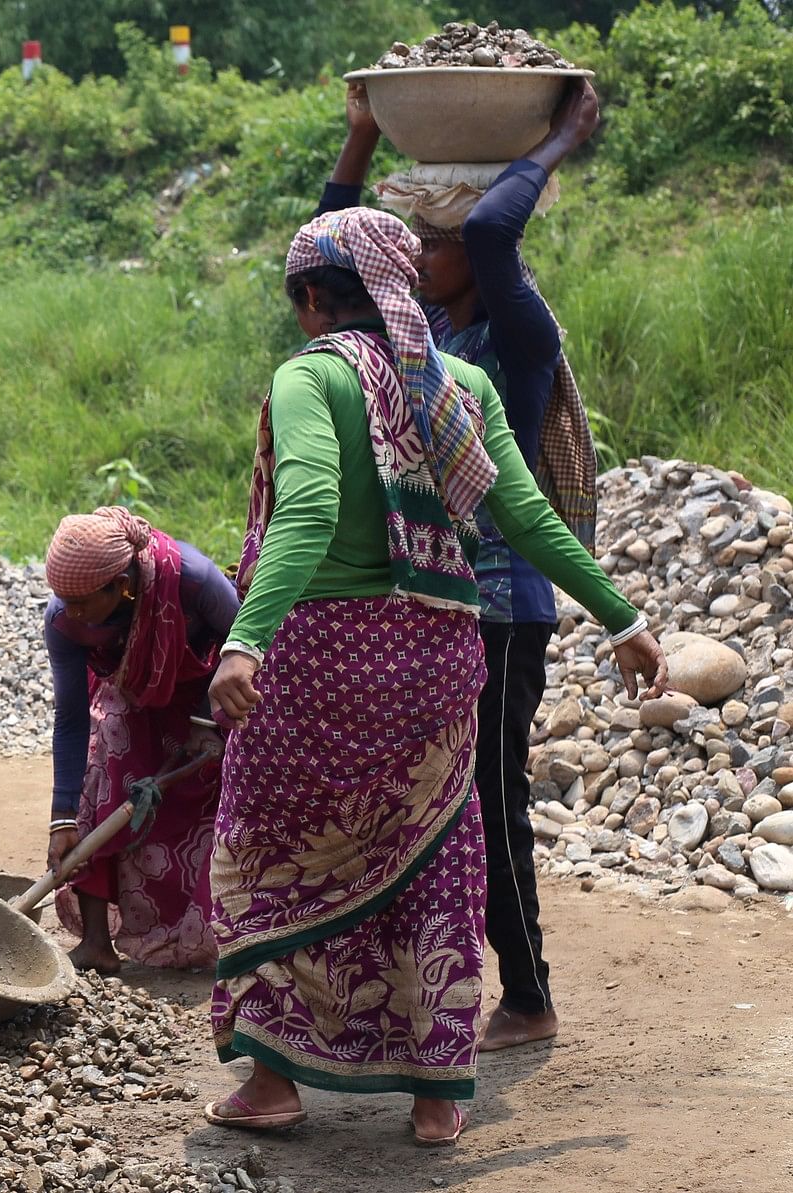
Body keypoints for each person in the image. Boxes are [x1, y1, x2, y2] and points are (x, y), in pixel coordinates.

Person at [203, 207, 665, 1146]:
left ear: (308, 301)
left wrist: (246, 639)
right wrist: (624, 617)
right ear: (397, 288)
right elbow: (528, 518)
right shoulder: (454, 383)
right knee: (432, 861)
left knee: (272, 854)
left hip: (316, 664)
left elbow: (307, 511)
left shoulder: (308, 377)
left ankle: (274, 1084)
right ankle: (434, 1095)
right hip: (433, 659)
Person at [321, 80, 604, 1053]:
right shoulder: (418, 336)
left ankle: (528, 995)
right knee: (421, 803)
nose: (422, 256)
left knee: (489, 797)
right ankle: (425, 986)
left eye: (430, 245)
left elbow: (489, 229)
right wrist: (359, 138)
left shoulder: (517, 340)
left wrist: (562, 137)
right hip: (429, 606)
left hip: (502, 605)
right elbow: (331, 262)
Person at [44, 507, 234, 976]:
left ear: (122, 585)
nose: (72, 612)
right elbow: (70, 719)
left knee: (218, 800)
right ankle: (95, 942)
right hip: (129, 691)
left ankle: (223, 937)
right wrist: (61, 817)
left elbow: (247, 644)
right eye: (63, 600)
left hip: (208, 691)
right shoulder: (64, 619)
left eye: (84, 602)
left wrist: (210, 724)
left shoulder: (193, 580)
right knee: (103, 770)